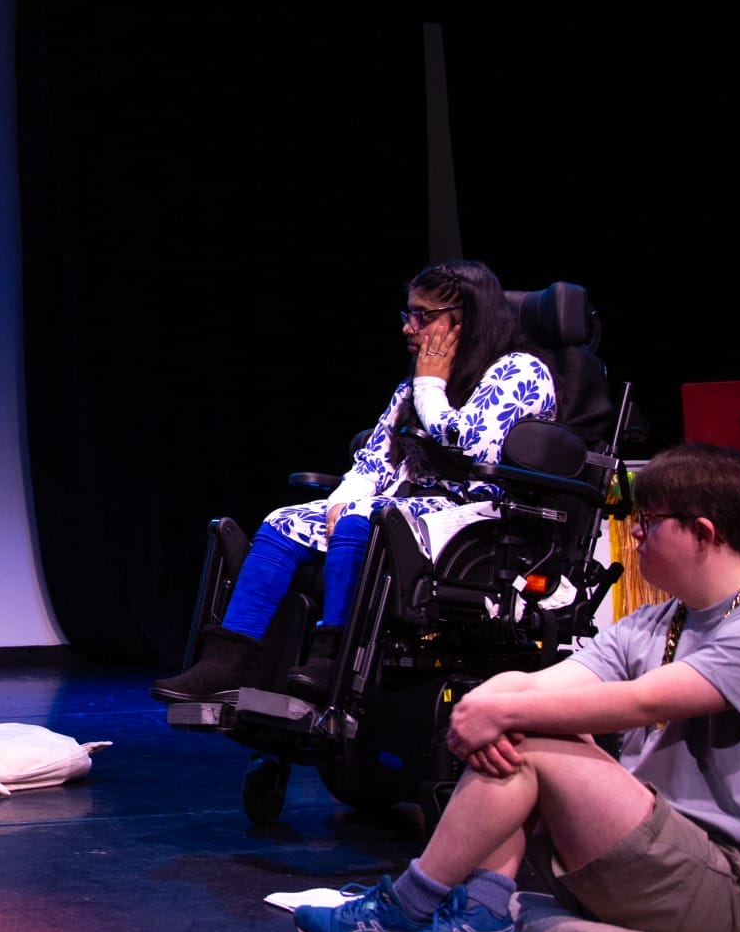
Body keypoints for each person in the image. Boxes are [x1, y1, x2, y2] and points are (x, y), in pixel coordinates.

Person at [294, 441, 740, 932]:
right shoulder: (656, 622)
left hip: (733, 888)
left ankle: (409, 904)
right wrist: (490, 701)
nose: (636, 534)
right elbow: (543, 687)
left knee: (530, 733)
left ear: (702, 533)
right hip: (654, 854)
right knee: (518, 720)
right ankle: (483, 913)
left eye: (650, 521)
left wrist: (506, 714)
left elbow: (640, 701)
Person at [154, 260, 556, 705]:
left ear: (466, 318)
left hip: (476, 516)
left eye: (423, 315)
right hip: (405, 509)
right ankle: (225, 662)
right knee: (284, 522)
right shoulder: (414, 384)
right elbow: (375, 459)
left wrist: (429, 388)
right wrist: (341, 499)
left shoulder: (521, 370)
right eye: (408, 314)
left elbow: (471, 445)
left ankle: (331, 659)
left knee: (362, 519)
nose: (409, 327)